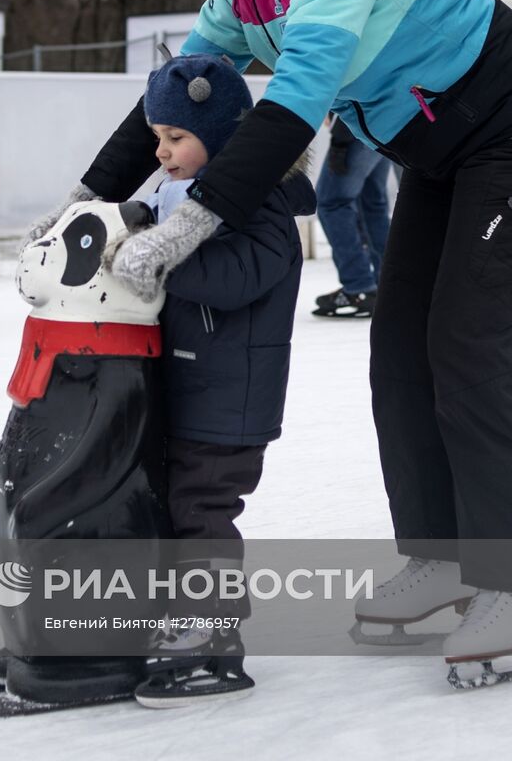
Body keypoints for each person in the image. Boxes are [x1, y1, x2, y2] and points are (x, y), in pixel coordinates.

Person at [26, 0, 512, 675]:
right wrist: (86, 198)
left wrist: (194, 222)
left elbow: (296, 100)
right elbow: (178, 90)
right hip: (442, 154)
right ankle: (441, 556)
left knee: (470, 349)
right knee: (399, 349)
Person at [130, 54, 314, 706]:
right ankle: (180, 616)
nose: (163, 151)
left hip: (229, 405)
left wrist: (159, 258)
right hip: (192, 392)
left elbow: (231, 280)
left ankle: (214, 643)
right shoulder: (184, 198)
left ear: (223, 136)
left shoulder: (261, 202)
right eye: (157, 138)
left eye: (176, 137)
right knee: (176, 510)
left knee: (202, 514)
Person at [312, 117, 392, 317]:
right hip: (385, 127)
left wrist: (340, 139)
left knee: (332, 202)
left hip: (357, 129)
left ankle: (359, 286)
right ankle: (387, 285)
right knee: (372, 205)